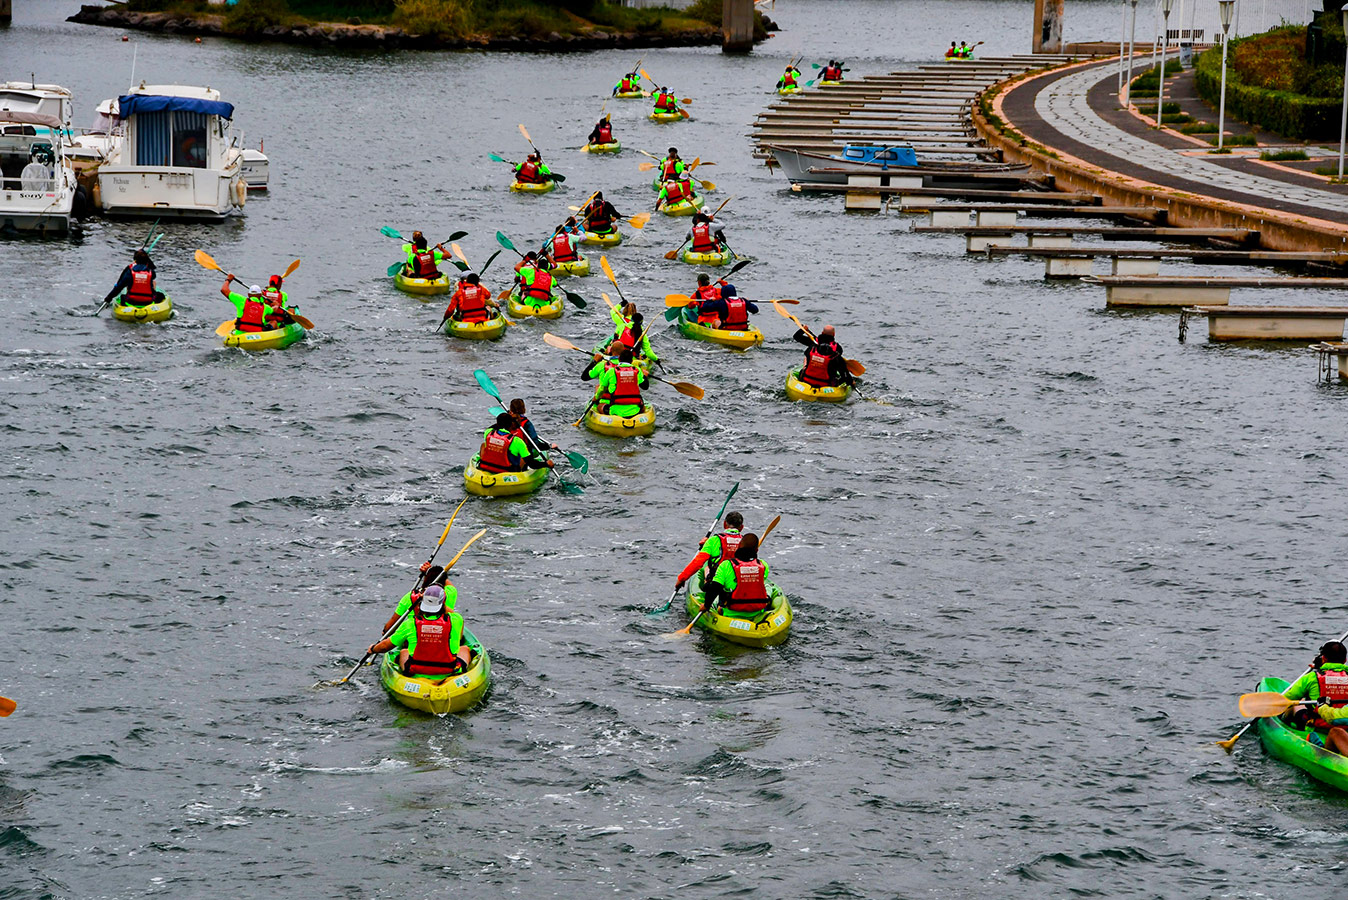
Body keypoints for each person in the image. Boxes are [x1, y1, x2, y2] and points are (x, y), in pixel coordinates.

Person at [366, 585, 472, 678]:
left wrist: (373, 649)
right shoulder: (456, 620)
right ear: (443, 603)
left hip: (416, 670)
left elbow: (385, 647)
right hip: (447, 670)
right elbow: (456, 629)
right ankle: (460, 673)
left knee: (404, 651)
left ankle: (406, 676)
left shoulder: (410, 623)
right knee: (464, 649)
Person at [1283, 640, 1348, 755]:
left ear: (1323, 658)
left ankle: (1284, 726)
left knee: (1296, 704)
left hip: (1317, 726)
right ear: (1345, 660)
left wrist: (1318, 670)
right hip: (1345, 727)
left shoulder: (1312, 677)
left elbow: (1287, 698)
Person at [699, 533, 772, 619]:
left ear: (739, 546)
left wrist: (706, 605)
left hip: (730, 612)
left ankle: (720, 609)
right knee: (768, 586)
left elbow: (715, 587)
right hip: (756, 612)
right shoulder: (763, 565)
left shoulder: (726, 565)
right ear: (756, 550)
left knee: (723, 589)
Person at [675, 511, 744, 590]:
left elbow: (698, 563)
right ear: (741, 527)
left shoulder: (713, 540)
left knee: (707, 568)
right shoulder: (746, 541)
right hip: (740, 583)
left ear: (725, 524)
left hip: (718, 584)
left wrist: (682, 578)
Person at [381, 564, 455, 634]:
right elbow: (447, 582)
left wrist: (385, 631)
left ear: (426, 578)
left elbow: (392, 623)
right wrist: (433, 572)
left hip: (416, 636)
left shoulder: (409, 597)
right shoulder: (450, 593)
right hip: (441, 634)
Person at [477, 412, 552, 473]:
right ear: (511, 424)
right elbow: (532, 464)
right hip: (507, 471)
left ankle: (482, 465)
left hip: (486, 467)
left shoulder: (488, 433)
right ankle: (523, 471)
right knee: (524, 453)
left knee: (484, 445)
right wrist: (546, 464)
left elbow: (494, 426)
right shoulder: (517, 441)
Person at [594, 347, 648, 416]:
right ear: (631, 361)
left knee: (599, 406)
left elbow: (602, 389)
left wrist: (596, 398)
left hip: (615, 410)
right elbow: (645, 386)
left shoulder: (611, 371)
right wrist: (645, 376)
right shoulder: (637, 370)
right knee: (643, 407)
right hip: (635, 410)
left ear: (619, 359)